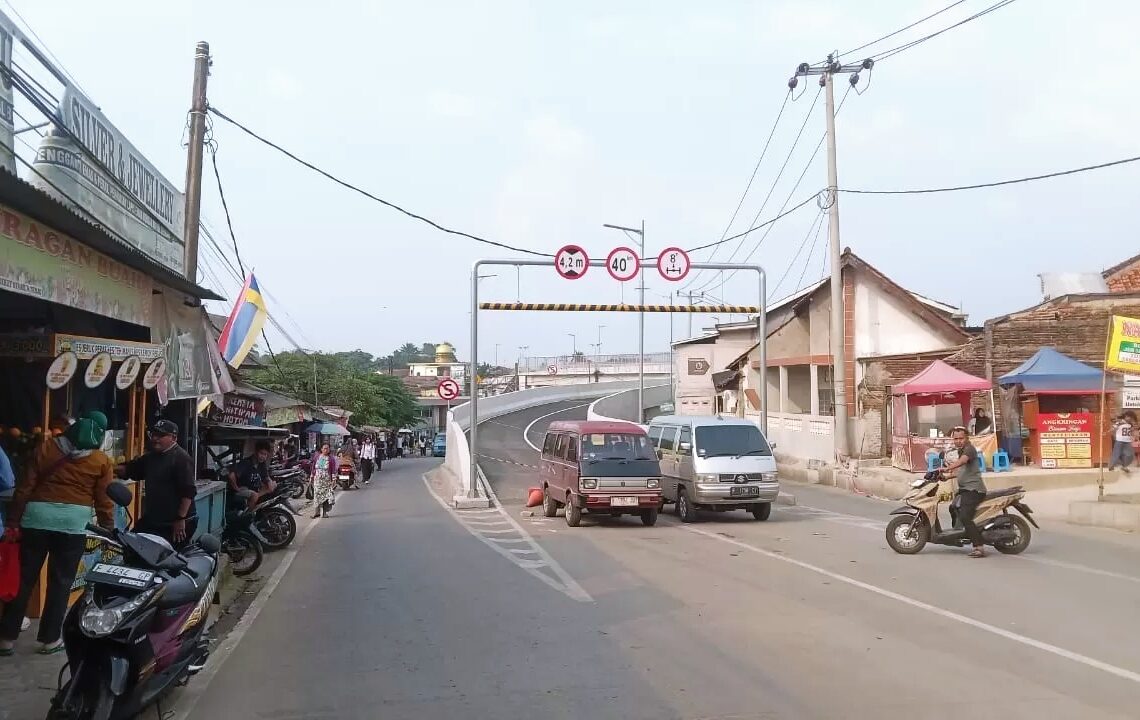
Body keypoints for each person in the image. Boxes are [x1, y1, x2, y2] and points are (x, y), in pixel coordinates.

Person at [1, 411, 115, 656]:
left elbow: (25, 487)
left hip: (36, 520)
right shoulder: (101, 460)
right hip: (73, 525)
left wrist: (13, 519)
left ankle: (6, 639)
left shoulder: (46, 448)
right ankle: (49, 640)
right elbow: (104, 499)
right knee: (61, 581)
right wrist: (108, 526)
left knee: (24, 579)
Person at [119, 420, 198, 550]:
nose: (155, 439)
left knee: (165, 560)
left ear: (173, 438)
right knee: (131, 547)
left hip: (176, 523)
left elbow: (188, 492)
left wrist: (180, 519)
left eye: (160, 436)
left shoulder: (181, 458)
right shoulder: (151, 457)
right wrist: (104, 467)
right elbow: (131, 469)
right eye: (153, 435)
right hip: (154, 520)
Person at [940, 426, 987, 559]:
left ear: (966, 438)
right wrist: (946, 477)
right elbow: (962, 471)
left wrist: (946, 469)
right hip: (964, 489)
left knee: (965, 516)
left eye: (961, 438)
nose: (958, 441)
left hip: (974, 490)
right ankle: (958, 535)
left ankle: (979, 547)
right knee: (952, 507)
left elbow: (962, 462)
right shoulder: (961, 450)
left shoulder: (969, 449)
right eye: (956, 439)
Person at [228, 440, 276, 509]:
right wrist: (237, 489)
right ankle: (249, 515)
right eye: (261, 453)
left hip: (255, 490)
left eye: (265, 454)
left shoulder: (261, 464)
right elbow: (231, 476)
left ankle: (256, 504)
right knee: (254, 495)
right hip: (243, 489)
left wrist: (269, 482)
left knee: (274, 484)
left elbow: (266, 476)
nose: (263, 456)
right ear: (256, 452)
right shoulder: (246, 462)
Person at [310, 443, 338, 518]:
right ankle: (317, 512)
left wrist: (334, 480)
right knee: (316, 496)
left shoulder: (331, 459)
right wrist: (312, 476)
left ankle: (324, 513)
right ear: (321, 449)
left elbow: (333, 470)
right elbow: (313, 468)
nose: (326, 450)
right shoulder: (317, 457)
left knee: (326, 497)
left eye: (327, 448)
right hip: (318, 480)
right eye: (324, 448)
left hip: (326, 481)